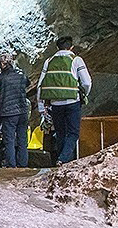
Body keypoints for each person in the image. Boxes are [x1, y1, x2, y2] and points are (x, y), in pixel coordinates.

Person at [37, 36, 92, 165]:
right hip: (72, 102)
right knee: (73, 133)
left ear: (57, 48)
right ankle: (64, 159)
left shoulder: (49, 61)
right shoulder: (76, 60)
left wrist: (41, 107)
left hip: (55, 104)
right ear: (71, 47)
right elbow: (87, 82)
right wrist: (84, 94)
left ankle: (62, 160)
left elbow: (41, 84)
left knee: (60, 133)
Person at [0, 53, 29, 168]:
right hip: (23, 111)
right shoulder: (21, 76)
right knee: (22, 140)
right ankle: (23, 164)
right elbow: (28, 83)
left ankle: (11, 165)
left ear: (2, 64)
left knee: (9, 140)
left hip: (8, 113)